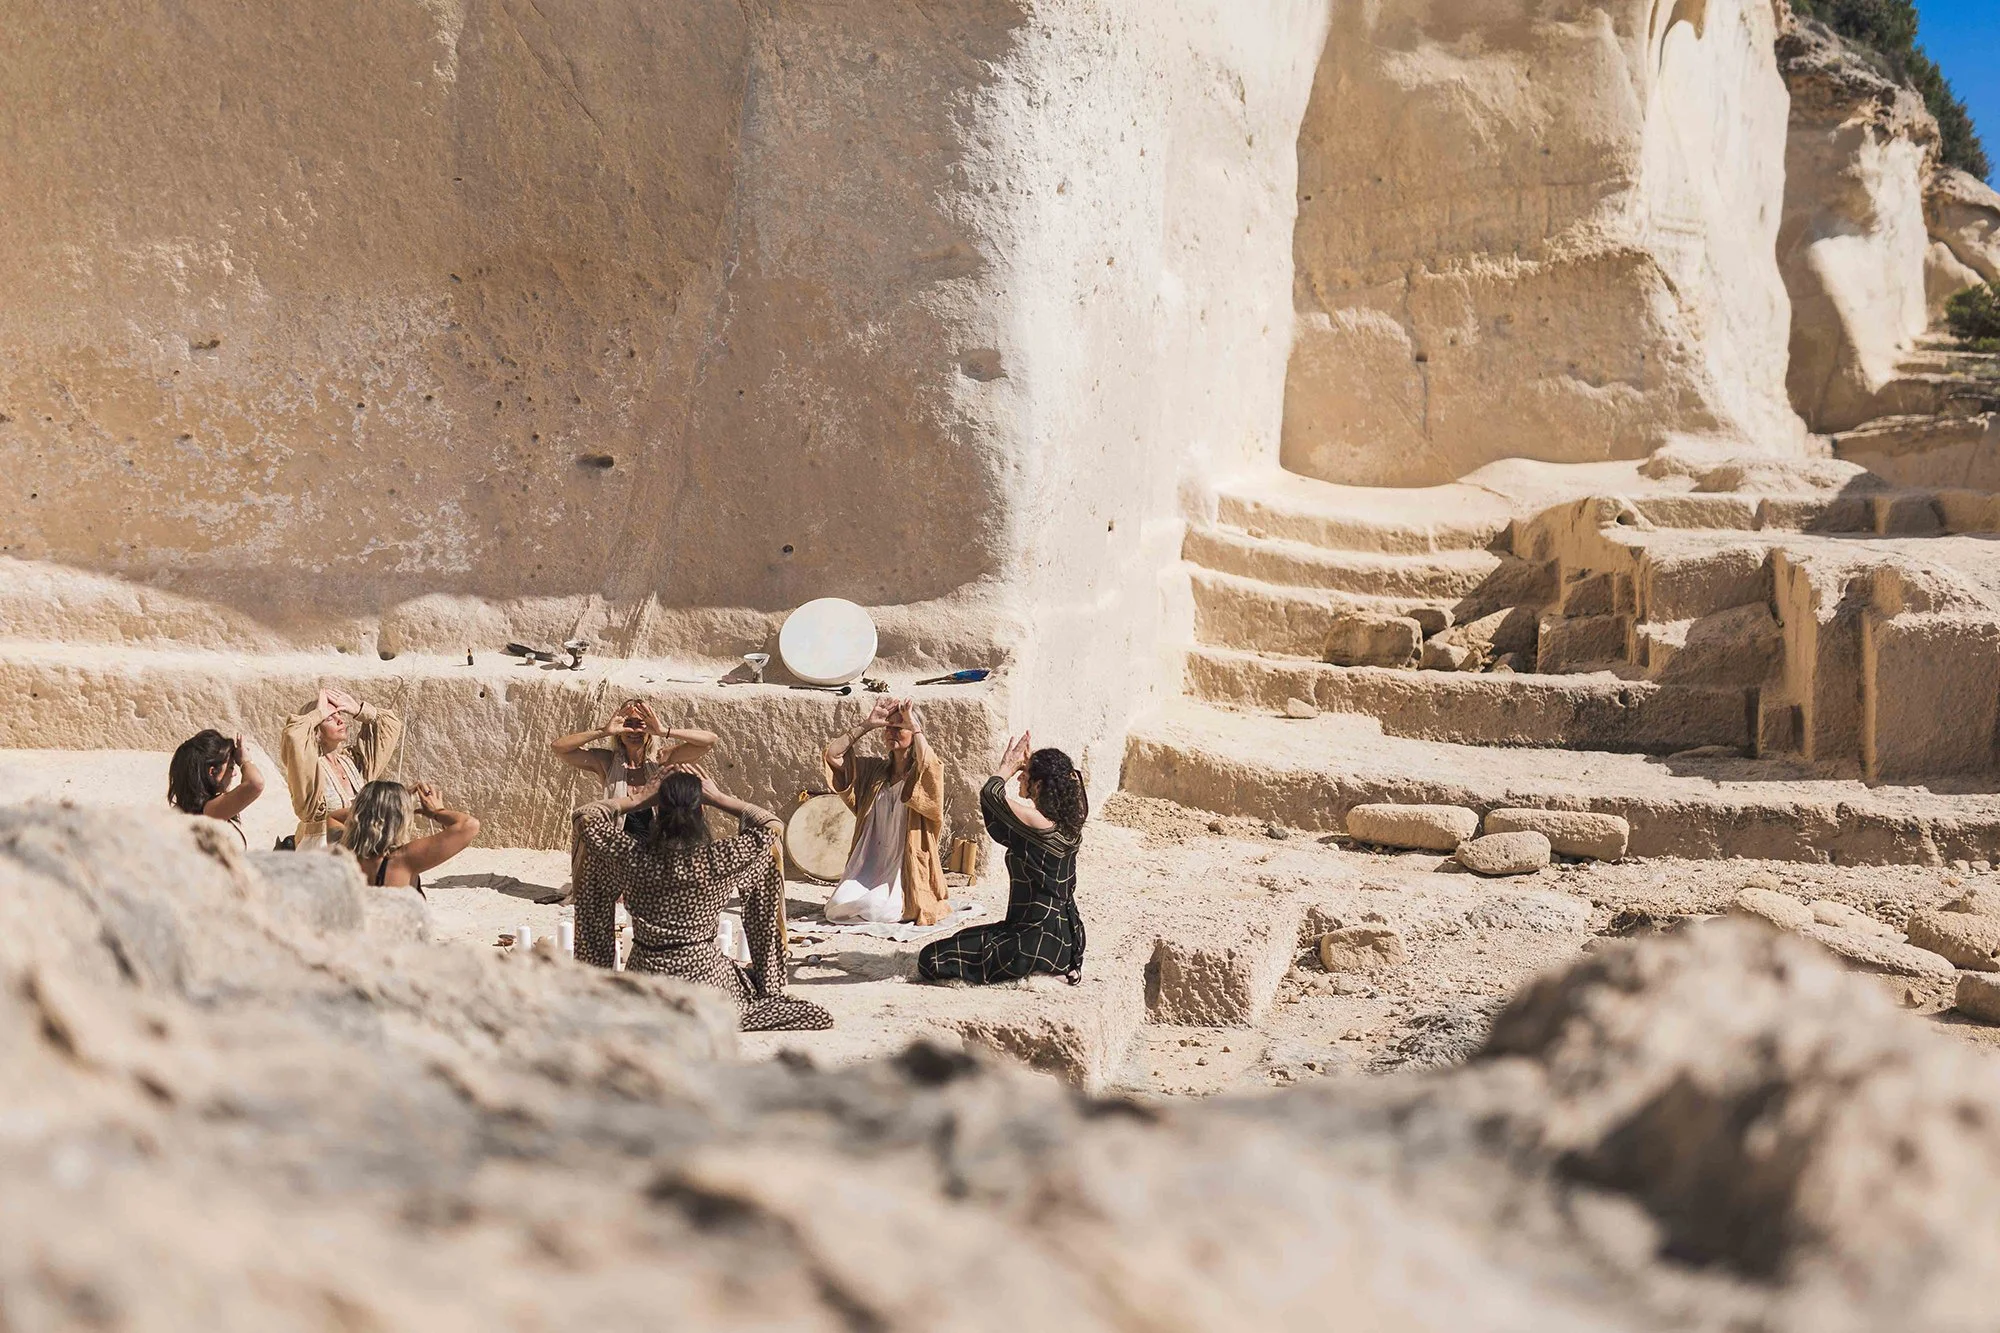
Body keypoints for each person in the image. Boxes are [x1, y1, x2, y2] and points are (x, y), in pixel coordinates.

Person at [572, 766, 831, 1031]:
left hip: (646, 979)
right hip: (706, 980)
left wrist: (639, 798)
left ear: (658, 811)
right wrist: (719, 797)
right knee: (812, 1013)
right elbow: (772, 826)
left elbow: (585, 817)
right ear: (702, 810)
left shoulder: (632, 856)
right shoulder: (720, 859)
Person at [918, 733, 1087, 986]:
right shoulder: (1071, 823)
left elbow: (990, 795)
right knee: (968, 937)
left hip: (1032, 939)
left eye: (1026, 774)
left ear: (1039, 786)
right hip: (1065, 938)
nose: (1020, 776)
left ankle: (1035, 968)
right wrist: (1036, 769)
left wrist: (1007, 766)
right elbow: (1072, 782)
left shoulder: (1037, 823)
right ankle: (1052, 966)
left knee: (930, 959)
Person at [821, 697, 949, 925]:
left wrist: (915, 726)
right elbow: (833, 755)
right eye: (889, 727)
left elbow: (930, 766)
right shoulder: (874, 771)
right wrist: (868, 724)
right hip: (867, 867)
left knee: (878, 910)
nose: (892, 732)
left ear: (912, 733)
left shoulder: (919, 774)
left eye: (900, 728)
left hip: (901, 871)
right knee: (835, 907)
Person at [551, 699, 718, 838]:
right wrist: (603, 731)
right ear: (619, 731)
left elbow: (709, 741)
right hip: (619, 845)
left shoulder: (663, 760)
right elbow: (559, 747)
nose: (634, 731)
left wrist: (663, 731)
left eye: (640, 724)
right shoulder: (607, 762)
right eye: (628, 724)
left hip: (658, 844)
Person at [280, 687, 405, 848]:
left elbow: (391, 725)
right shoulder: (309, 770)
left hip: (359, 850)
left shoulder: (353, 761)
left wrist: (359, 710)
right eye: (330, 718)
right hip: (320, 854)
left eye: (340, 715)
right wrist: (318, 714)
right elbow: (293, 735)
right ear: (317, 730)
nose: (341, 720)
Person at [342, 780, 480, 896]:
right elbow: (469, 825)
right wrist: (437, 812)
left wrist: (373, 806)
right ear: (400, 818)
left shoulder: (342, 850)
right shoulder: (403, 859)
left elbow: (334, 817)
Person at [166, 729, 266, 845]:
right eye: (231, 768)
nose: (234, 774)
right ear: (212, 772)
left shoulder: (188, 810)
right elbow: (255, 784)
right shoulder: (209, 811)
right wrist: (245, 761)